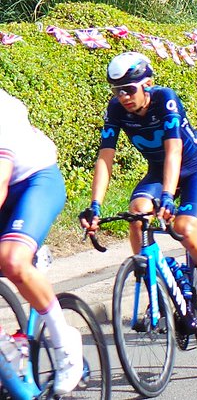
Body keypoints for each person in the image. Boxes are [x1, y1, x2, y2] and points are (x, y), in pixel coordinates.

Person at [80, 52, 197, 334]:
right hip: (157, 171)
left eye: (129, 89)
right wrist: (95, 206)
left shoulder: (165, 99)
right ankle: (156, 284)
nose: (124, 96)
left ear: (147, 84)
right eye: (117, 90)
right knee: (137, 214)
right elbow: (105, 158)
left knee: (185, 229)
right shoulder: (116, 109)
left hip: (192, 170)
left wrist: (167, 195)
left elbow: (174, 150)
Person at [2, 90, 84, 395]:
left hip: (34, 182)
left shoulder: (2, 109)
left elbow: (0, 180)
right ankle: (9, 346)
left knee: (12, 260)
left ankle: (65, 345)